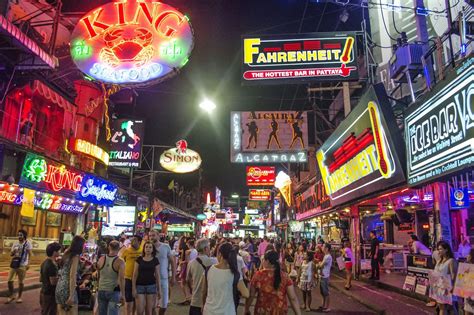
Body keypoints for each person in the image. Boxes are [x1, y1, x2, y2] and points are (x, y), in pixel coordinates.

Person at [245, 250, 301, 315]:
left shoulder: (258, 275)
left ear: (267, 261)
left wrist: (246, 308)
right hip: (280, 310)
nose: (262, 262)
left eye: (263, 260)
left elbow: (251, 295)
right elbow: (292, 298)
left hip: (262, 311)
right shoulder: (285, 276)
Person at [203, 242, 249, 315]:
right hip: (228, 311)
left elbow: (204, 292)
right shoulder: (235, 273)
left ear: (220, 254)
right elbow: (246, 294)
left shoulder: (208, 270)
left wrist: (203, 306)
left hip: (209, 311)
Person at [187, 238, 217, 315]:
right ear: (205, 248)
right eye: (209, 247)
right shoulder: (213, 262)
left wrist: (192, 289)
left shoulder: (191, 263)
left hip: (195, 300)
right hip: (209, 300)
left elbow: (188, 280)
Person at [56, 235, 85, 315]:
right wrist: (71, 295)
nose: (84, 247)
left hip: (60, 285)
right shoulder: (75, 257)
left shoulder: (66, 253)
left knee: (61, 312)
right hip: (68, 287)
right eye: (83, 245)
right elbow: (72, 276)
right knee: (73, 311)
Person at [150, 230, 176, 315]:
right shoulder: (148, 248)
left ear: (158, 236)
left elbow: (172, 262)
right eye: (150, 236)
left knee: (164, 303)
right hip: (150, 279)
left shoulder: (166, 247)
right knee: (151, 304)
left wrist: (173, 277)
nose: (151, 237)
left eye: (153, 235)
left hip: (163, 278)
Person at [96, 240, 125, 315]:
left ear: (109, 247)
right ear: (119, 248)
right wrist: (123, 295)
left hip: (101, 289)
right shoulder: (120, 261)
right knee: (113, 312)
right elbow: (122, 279)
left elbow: (98, 275)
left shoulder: (101, 259)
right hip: (113, 291)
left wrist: (98, 287)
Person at [132, 241, 161, 315]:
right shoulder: (139, 259)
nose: (148, 249)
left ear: (152, 249)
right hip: (140, 286)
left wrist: (159, 290)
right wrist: (133, 288)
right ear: (144, 249)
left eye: (150, 247)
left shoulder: (155, 260)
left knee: (149, 311)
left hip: (151, 286)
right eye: (146, 247)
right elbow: (134, 275)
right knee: (139, 311)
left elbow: (157, 275)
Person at [6, 229, 33, 304]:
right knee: (9, 281)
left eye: (20, 235)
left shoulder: (28, 243)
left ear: (24, 236)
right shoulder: (15, 244)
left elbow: (30, 254)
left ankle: (19, 297)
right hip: (14, 264)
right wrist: (13, 251)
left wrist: (28, 263)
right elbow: (11, 254)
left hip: (23, 265)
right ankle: (11, 295)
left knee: (21, 282)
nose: (19, 236)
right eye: (18, 235)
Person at [121, 235, 142, 315]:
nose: (133, 243)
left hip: (139, 278)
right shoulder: (126, 250)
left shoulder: (141, 251)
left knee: (136, 299)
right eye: (132, 241)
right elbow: (121, 261)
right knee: (128, 300)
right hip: (128, 277)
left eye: (135, 241)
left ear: (139, 242)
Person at [434, 241, 457, 315]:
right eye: (438, 249)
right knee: (442, 307)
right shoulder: (439, 261)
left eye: (440, 249)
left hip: (447, 287)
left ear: (446, 249)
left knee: (447, 307)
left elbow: (454, 275)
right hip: (439, 287)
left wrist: (452, 287)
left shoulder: (451, 261)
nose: (438, 251)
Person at [40, 242, 62, 315]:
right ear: (54, 252)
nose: (60, 252)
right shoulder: (51, 265)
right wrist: (62, 278)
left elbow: (41, 279)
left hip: (44, 291)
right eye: (59, 250)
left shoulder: (45, 262)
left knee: (45, 311)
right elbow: (53, 282)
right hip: (50, 293)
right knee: (50, 312)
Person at [316, 243, 333, 312]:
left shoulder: (328, 257)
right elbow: (320, 264)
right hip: (322, 276)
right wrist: (319, 263)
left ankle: (327, 307)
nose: (321, 247)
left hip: (325, 276)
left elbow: (320, 266)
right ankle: (323, 305)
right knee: (322, 292)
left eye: (323, 246)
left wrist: (318, 264)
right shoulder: (325, 256)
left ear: (327, 248)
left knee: (326, 292)